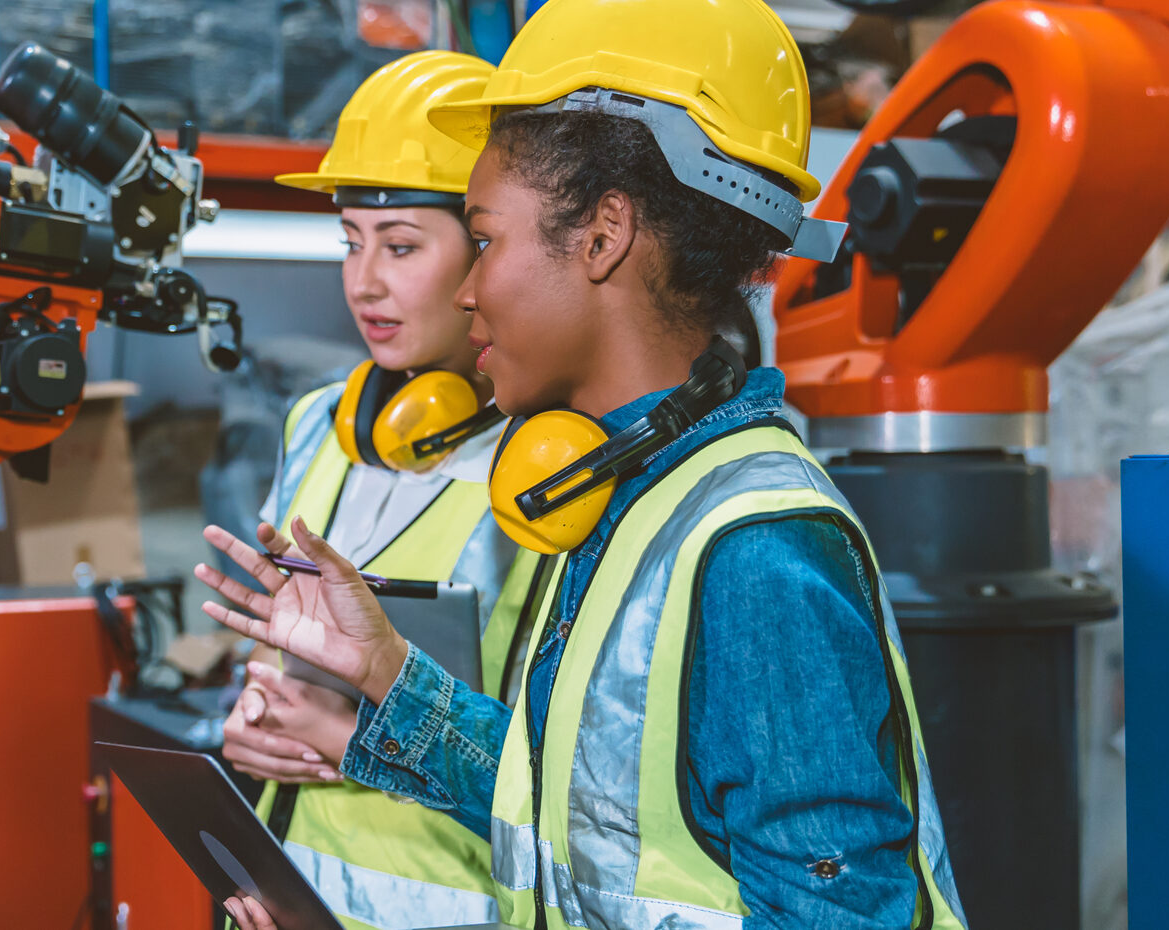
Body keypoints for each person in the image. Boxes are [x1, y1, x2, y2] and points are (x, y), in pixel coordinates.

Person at [195, 0, 970, 928]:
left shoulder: (754, 551)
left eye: (482, 240)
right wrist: (390, 673)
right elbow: (571, 817)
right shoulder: (623, 498)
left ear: (604, 235)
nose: (470, 288)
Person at [213, 49, 547, 930]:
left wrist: (363, 738)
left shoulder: (553, 466)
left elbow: (570, 780)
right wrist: (249, 712)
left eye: (400, 245)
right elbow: (280, 653)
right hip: (287, 898)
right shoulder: (320, 424)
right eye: (350, 243)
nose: (364, 283)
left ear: (485, 251)